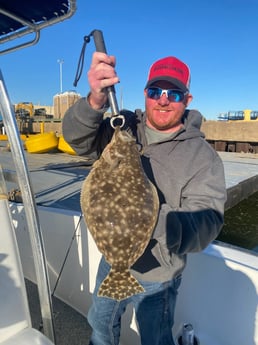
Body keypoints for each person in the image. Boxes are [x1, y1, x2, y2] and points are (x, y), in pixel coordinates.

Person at [62, 53, 227, 345]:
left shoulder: (203, 158)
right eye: (155, 91)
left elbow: (207, 223)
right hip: (112, 262)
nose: (163, 100)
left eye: (173, 93)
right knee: (100, 327)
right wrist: (95, 101)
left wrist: (144, 218)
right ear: (145, 94)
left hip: (159, 277)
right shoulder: (122, 127)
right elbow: (77, 139)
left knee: (156, 339)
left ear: (187, 99)